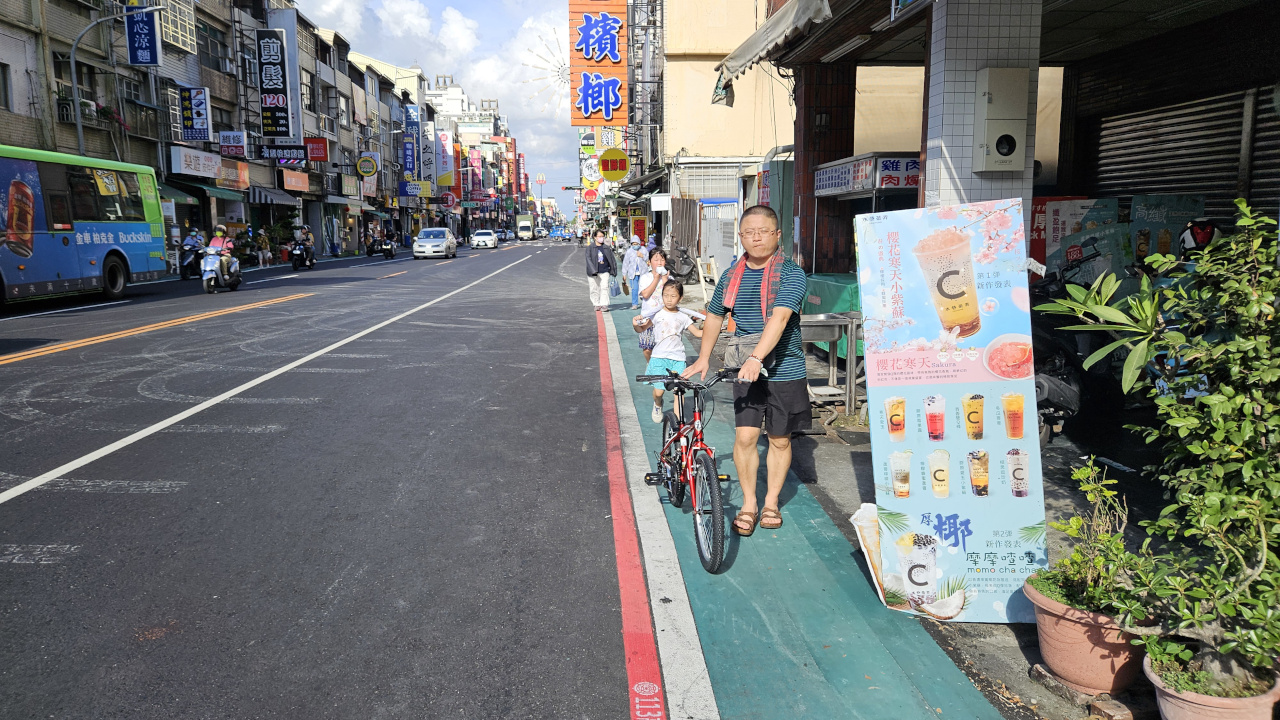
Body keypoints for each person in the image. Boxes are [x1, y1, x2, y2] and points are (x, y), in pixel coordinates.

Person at [683, 204, 808, 537]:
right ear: (740, 237)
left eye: (763, 231)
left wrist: (757, 357)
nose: (756, 238)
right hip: (745, 369)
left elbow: (780, 318)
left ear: (777, 235)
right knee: (746, 436)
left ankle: (771, 502)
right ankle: (750, 503)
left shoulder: (792, 273)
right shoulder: (731, 275)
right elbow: (714, 316)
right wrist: (704, 357)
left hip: (784, 368)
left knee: (779, 439)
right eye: (749, 232)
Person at [638, 282, 703, 423]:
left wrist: (713, 328)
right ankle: (657, 404)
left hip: (678, 358)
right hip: (659, 357)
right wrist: (635, 323)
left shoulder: (683, 317)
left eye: (673, 296)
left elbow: (697, 333)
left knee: (678, 392)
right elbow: (641, 328)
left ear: (680, 298)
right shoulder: (656, 314)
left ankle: (678, 424)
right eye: (666, 295)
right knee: (658, 392)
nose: (668, 299)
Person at [633, 249, 670, 360]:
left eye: (662, 260)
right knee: (647, 348)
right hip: (648, 318)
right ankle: (650, 364)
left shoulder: (669, 279)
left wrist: (665, 281)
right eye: (656, 260)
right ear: (649, 262)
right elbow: (645, 294)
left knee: (664, 347)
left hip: (664, 319)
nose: (659, 263)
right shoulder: (645, 278)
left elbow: (671, 297)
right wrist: (656, 279)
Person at [585, 229, 617, 312]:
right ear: (595, 237)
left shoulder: (606, 247)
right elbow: (588, 259)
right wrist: (593, 270)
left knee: (604, 287)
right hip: (593, 272)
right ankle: (596, 304)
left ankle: (604, 304)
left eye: (602, 236)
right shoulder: (590, 248)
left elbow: (612, 259)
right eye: (599, 236)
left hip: (605, 271)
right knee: (594, 288)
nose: (601, 238)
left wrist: (613, 270)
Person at [621, 237, 648, 309]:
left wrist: (642, 256)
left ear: (639, 243)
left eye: (636, 244)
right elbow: (625, 263)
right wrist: (624, 273)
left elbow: (648, 259)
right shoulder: (629, 251)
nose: (635, 245)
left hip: (643, 273)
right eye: (633, 244)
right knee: (634, 289)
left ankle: (645, 303)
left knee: (644, 288)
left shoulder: (643, 250)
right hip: (633, 274)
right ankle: (634, 304)